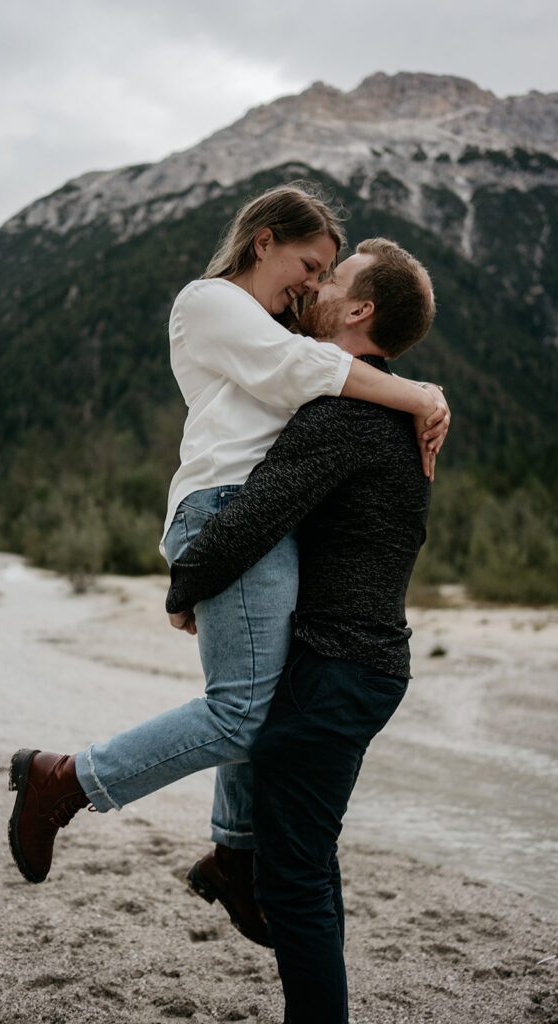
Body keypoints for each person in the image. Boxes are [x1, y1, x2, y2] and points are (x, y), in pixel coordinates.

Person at [8, 186, 449, 947]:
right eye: (308, 264)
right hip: (224, 513)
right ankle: (66, 780)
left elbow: (311, 372)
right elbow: (297, 370)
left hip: (249, 522)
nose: (312, 282)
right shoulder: (209, 302)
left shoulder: (275, 324)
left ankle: (233, 856)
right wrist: (418, 392)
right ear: (263, 241)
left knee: (263, 709)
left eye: (325, 275)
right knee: (241, 711)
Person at [165, 238, 437, 1022]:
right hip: (356, 666)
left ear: (359, 311)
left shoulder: (347, 412)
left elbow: (256, 510)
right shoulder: (382, 403)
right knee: (307, 865)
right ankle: (231, 859)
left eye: (333, 279)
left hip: (338, 671)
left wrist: (186, 585)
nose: (313, 289)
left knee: (296, 880)